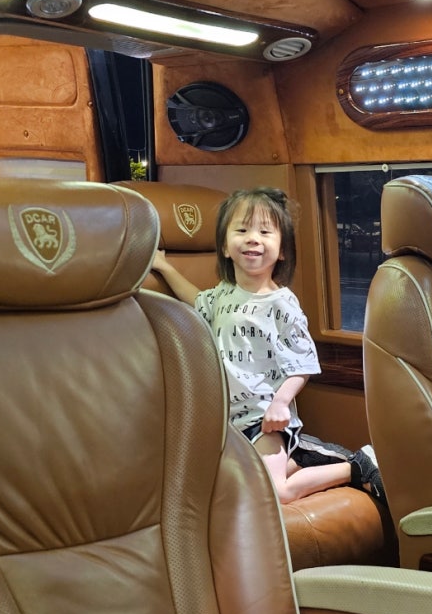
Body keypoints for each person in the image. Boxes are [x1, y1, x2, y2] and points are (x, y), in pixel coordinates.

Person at [151, 186, 384, 505]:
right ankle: (300, 458)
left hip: (266, 419)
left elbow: (302, 364)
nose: (253, 238)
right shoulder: (223, 294)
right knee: (233, 487)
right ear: (225, 246)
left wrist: (280, 404)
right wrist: (164, 267)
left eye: (264, 232)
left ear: (282, 250)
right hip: (229, 420)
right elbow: (195, 300)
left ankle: (357, 466)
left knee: (277, 492)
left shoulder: (281, 304)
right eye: (242, 230)